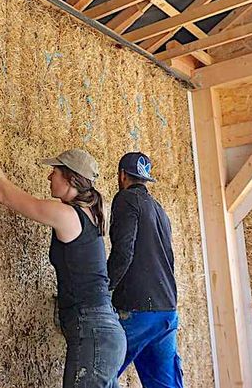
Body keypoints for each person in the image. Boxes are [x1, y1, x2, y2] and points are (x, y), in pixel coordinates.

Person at [0, 148, 125, 388]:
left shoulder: (68, 215)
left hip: (93, 333)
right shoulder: (88, 215)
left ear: (70, 178)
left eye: (55, 171)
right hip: (104, 333)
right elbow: (16, 196)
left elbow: (4, 196)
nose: (49, 177)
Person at [107, 152, 182, 388]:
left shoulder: (125, 199)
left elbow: (123, 252)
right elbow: (169, 259)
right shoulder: (160, 211)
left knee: (98, 376)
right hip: (167, 311)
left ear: (121, 176)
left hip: (138, 309)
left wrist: (102, 288)